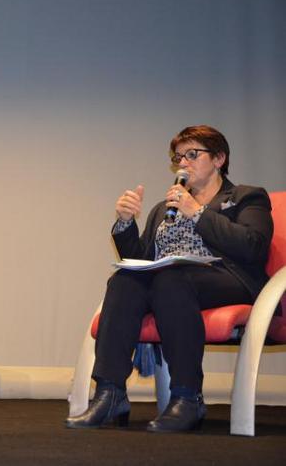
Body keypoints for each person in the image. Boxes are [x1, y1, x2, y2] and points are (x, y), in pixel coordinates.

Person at [66, 125, 273, 433]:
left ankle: (187, 396)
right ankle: (110, 393)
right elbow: (143, 257)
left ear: (219, 158)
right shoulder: (165, 207)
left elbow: (253, 247)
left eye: (193, 155)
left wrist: (199, 213)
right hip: (172, 281)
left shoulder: (246, 197)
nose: (183, 164)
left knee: (170, 279)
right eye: (179, 157)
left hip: (227, 278)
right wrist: (125, 225)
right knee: (125, 280)